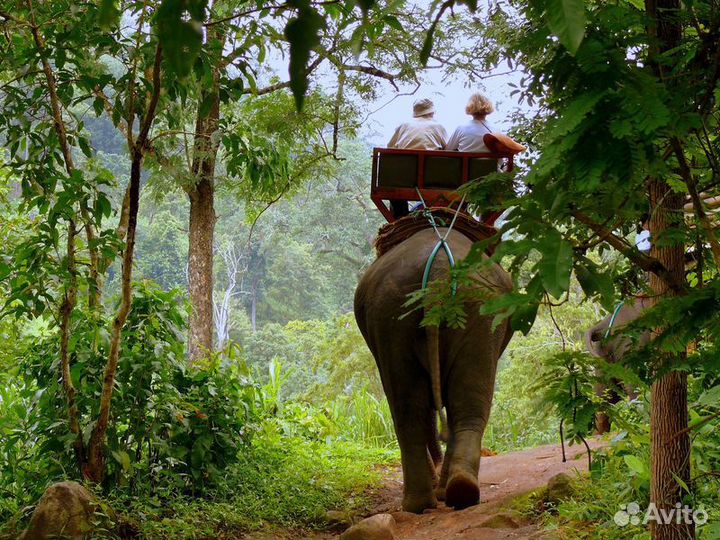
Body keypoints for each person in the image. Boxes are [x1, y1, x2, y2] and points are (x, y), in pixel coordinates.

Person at [386, 98, 448, 218]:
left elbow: (390, 147)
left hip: (403, 179)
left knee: (396, 195)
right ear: (431, 112)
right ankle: (426, 211)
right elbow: (449, 150)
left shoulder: (403, 125)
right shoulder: (438, 127)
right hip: (432, 180)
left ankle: (400, 218)